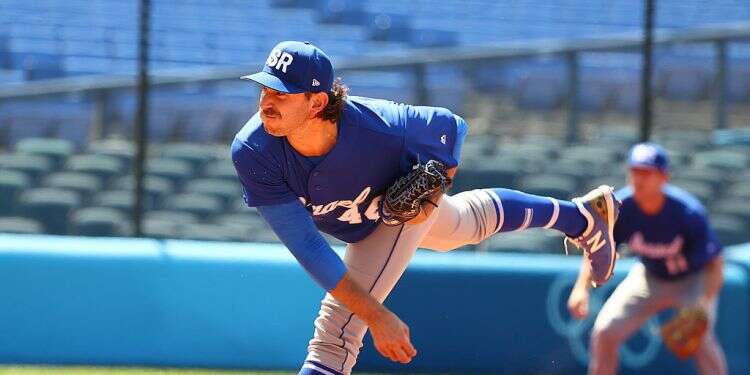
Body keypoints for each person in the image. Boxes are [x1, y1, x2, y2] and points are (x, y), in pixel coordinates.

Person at [232, 40, 621, 375]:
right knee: (466, 226)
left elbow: (451, 127)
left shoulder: (381, 125)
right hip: (365, 219)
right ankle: (582, 215)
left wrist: (433, 195)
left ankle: (579, 217)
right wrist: (378, 313)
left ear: (317, 102)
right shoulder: (253, 151)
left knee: (336, 333)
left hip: (397, 209)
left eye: (281, 93)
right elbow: (309, 247)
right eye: (264, 89)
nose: (266, 101)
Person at [567, 143, 727, 375]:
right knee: (605, 332)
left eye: (646, 172)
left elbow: (715, 265)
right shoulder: (621, 208)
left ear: (663, 177)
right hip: (648, 278)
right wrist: (581, 288)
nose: (639, 178)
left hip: (692, 281)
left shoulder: (688, 213)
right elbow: (596, 246)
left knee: (701, 336)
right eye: (635, 171)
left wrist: (704, 303)